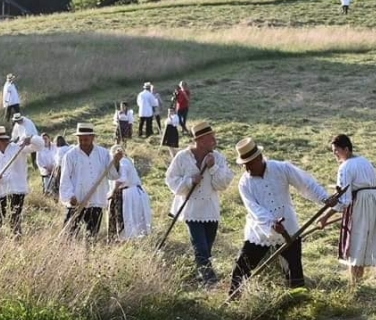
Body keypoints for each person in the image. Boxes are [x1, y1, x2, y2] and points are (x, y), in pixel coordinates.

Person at [228, 138, 336, 298]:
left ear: (259, 158)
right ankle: (233, 299)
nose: (246, 167)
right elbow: (254, 209)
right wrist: (272, 224)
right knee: (242, 266)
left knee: (294, 271)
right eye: (243, 164)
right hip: (260, 231)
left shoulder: (281, 168)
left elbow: (305, 184)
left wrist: (325, 199)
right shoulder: (244, 183)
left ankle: (298, 302)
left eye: (249, 162)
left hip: (289, 228)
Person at [317, 134, 376, 284]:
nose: (334, 154)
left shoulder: (345, 167)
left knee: (357, 242)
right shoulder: (365, 161)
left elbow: (344, 200)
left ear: (346, 149)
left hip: (361, 204)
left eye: (336, 150)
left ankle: (356, 283)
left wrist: (325, 217)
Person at [165, 122, 235, 285]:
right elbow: (170, 180)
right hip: (191, 210)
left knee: (207, 248)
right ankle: (209, 280)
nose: (215, 141)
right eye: (211, 138)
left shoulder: (218, 157)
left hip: (211, 210)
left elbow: (223, 184)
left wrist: (213, 168)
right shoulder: (182, 157)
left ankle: (201, 273)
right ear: (201, 140)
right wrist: (190, 181)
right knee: (200, 246)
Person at [59, 123, 122, 238]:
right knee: (68, 236)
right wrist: (70, 197)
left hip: (96, 201)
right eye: (80, 139)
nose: (83, 142)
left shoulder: (103, 154)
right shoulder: (70, 156)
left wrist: (116, 162)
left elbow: (112, 175)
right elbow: (65, 179)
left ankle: (88, 255)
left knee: (91, 236)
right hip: (76, 202)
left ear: (93, 138)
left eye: (86, 139)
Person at [0, 126, 44, 236]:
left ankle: (17, 240)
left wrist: (30, 139)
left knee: (14, 218)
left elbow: (40, 145)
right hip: (0, 191)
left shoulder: (19, 148)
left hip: (17, 190)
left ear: (0, 140)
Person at [107, 145, 152, 241]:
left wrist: (113, 192)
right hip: (131, 193)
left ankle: (128, 240)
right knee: (130, 219)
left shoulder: (123, 162)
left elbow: (121, 178)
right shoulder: (119, 163)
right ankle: (125, 240)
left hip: (128, 194)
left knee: (129, 218)